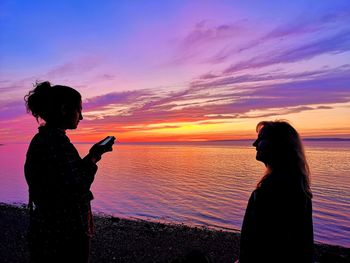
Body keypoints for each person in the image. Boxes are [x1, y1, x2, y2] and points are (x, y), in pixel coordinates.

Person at [24, 81, 115, 263]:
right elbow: (77, 186)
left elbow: (66, 176)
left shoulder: (41, 140)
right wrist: (94, 158)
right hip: (65, 230)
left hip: (46, 226)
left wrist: (92, 155)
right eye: (79, 110)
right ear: (64, 109)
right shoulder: (57, 144)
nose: (81, 117)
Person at [238, 120, 314, 262]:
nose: (254, 144)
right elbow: (304, 247)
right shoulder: (301, 191)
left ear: (279, 145)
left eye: (261, 139)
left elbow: (250, 246)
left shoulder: (264, 194)